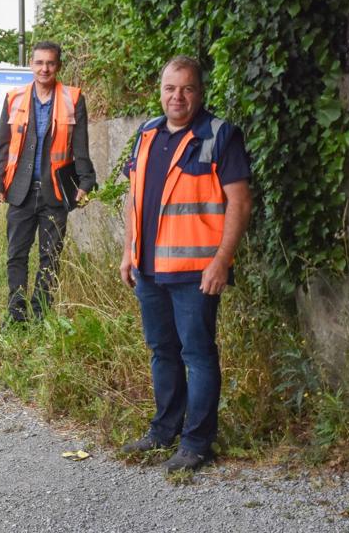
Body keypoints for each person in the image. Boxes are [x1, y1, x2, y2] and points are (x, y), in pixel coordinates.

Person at [118, 56, 252, 473]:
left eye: (187, 88)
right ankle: (164, 431)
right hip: (150, 269)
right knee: (163, 351)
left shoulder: (220, 135)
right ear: (160, 91)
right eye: (170, 88)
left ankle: (197, 443)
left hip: (196, 271)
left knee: (197, 354)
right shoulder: (147, 133)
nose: (178, 97)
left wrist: (221, 261)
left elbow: (240, 202)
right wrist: (128, 251)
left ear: (200, 91)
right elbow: (133, 197)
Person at [0, 41, 96, 321]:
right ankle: (17, 314)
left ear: (58, 66)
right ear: (31, 65)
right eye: (39, 63)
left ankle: (40, 314)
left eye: (50, 63)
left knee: (50, 258)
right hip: (20, 191)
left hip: (56, 193)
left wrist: (86, 182)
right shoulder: (15, 98)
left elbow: (81, 147)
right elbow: (2, 146)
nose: (44, 68)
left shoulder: (73, 98)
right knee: (16, 255)